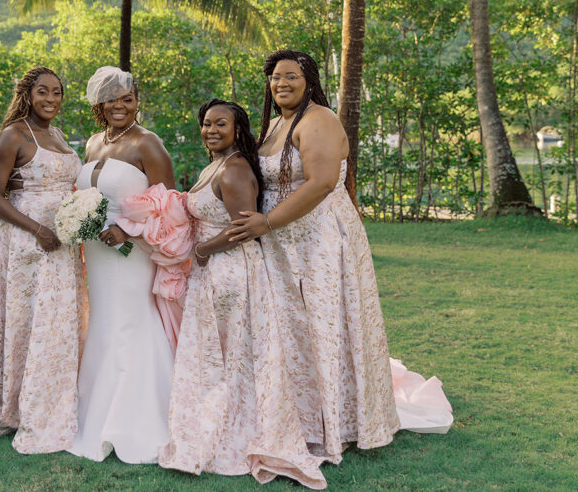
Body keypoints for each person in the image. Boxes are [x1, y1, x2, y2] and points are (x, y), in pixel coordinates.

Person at [228, 49, 400, 462]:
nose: (281, 83)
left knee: (322, 323)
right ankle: (295, 415)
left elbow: (321, 183)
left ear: (309, 80)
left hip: (318, 241)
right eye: (274, 77)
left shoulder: (318, 119)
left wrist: (266, 223)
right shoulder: (274, 124)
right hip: (283, 241)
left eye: (291, 76)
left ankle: (335, 422)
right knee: (288, 327)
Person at [160, 99, 326, 489]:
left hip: (230, 272)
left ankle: (236, 429)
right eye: (205, 123)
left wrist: (201, 250)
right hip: (215, 272)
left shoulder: (234, 170)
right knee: (226, 356)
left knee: (233, 357)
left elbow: (242, 229)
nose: (211, 130)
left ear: (239, 130)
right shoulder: (217, 164)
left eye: (221, 124)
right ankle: (220, 419)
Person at [69, 66, 177, 464]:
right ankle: (95, 411)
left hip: (131, 250)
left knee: (131, 321)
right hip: (96, 251)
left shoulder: (148, 143)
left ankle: (136, 418)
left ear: (137, 102)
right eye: (111, 98)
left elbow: (170, 206)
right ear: (99, 102)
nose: (120, 105)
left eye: (127, 98)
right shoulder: (94, 142)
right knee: (103, 321)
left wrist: (128, 232)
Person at [0, 67, 85, 454]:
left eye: (58, 92)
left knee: (58, 323)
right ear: (28, 94)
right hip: (30, 244)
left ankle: (57, 398)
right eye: (43, 92)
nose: (52, 99)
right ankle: (21, 407)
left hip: (65, 243)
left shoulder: (56, 134)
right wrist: (37, 229)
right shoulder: (14, 134)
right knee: (29, 323)